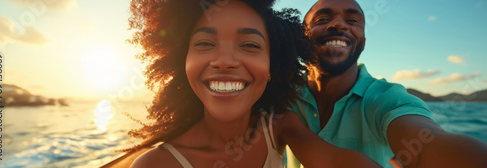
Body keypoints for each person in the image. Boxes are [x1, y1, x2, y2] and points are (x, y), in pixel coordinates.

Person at [122, 0, 381, 167]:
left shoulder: (277, 124)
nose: (225, 61)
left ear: (273, 64)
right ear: (183, 61)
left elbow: (333, 161)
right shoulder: (155, 164)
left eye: (249, 45)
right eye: (204, 43)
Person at [284, 0, 487, 167]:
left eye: (353, 20)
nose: (339, 24)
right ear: (301, 36)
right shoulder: (281, 95)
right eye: (323, 18)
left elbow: (428, 143)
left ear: (362, 43)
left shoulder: (388, 99)